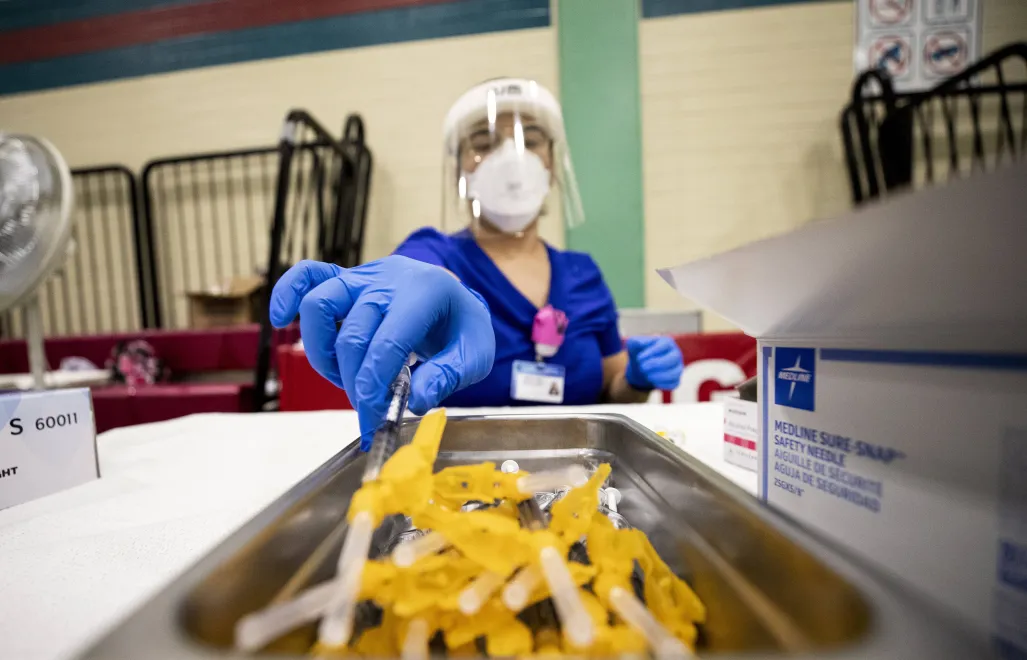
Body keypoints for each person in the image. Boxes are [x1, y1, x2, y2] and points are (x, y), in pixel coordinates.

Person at [270, 78, 683, 446]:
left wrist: (635, 379)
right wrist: (403, 282)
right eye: (484, 145)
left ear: (553, 163)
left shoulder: (583, 274)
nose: (510, 158)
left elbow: (611, 389)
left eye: (531, 140)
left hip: (578, 474)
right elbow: (418, 273)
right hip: (462, 481)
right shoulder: (436, 253)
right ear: (458, 172)